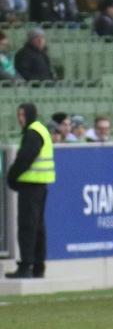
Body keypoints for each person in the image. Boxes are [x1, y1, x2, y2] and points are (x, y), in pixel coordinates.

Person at [6, 103, 55, 279]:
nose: (20, 118)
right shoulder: (40, 130)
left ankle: (26, 265)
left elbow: (24, 159)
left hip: (30, 186)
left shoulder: (33, 133)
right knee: (38, 228)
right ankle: (38, 266)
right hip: (40, 186)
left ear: (30, 115)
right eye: (18, 115)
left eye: (22, 115)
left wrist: (11, 177)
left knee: (27, 227)